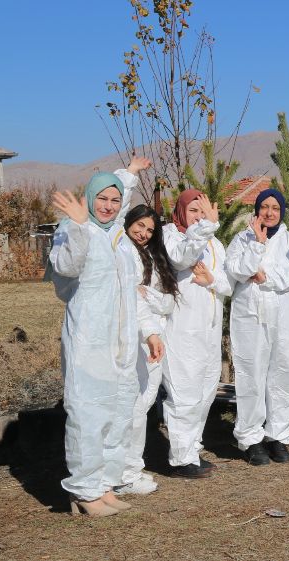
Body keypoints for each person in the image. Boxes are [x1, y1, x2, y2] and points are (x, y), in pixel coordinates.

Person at [50, 157, 162, 516]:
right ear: (89, 197)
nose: (109, 205)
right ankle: (83, 491)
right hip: (90, 342)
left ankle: (105, 484)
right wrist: (81, 227)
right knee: (89, 414)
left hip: (122, 344)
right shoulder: (72, 228)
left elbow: (130, 292)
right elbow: (67, 268)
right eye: (103, 198)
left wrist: (148, 333)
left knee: (118, 415)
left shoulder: (116, 235)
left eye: (115, 201)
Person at [225, 189, 289, 465]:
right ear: (257, 209)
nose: (270, 212)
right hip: (250, 316)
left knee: (285, 371)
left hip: (286, 317)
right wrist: (257, 247)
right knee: (252, 373)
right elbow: (235, 269)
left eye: (275, 207)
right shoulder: (243, 238)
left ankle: (278, 434)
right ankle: (251, 438)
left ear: (282, 211)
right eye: (264, 206)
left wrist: (265, 276)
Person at [162, 189, 231, 478]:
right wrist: (205, 228)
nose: (199, 217)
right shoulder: (172, 236)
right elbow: (180, 259)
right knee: (184, 394)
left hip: (210, 330)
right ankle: (180, 458)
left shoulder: (214, 243)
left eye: (203, 211)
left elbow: (229, 285)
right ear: (180, 211)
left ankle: (192, 449)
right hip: (182, 330)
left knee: (204, 393)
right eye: (193, 211)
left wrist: (212, 280)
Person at [114, 204, 180, 495]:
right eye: (139, 225)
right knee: (134, 405)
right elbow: (129, 296)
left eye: (149, 230)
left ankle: (132, 469)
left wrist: (147, 294)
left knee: (144, 402)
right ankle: (124, 473)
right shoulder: (121, 253)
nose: (142, 233)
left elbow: (166, 302)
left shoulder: (153, 257)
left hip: (155, 337)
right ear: (128, 223)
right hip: (133, 338)